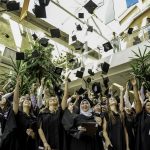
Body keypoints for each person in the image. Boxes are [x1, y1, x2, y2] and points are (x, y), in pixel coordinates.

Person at [0, 77, 38, 150]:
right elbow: (15, 101)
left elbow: (36, 135)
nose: (27, 100)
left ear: (31, 105)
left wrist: (32, 134)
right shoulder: (18, 113)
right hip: (15, 144)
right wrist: (17, 84)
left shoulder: (34, 118)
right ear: (21, 104)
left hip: (27, 145)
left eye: (29, 100)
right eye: (25, 100)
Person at [38, 72, 70, 150]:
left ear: (57, 102)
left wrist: (66, 81)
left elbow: (65, 96)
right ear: (47, 102)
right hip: (46, 142)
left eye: (54, 99)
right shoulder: (42, 113)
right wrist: (45, 142)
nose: (52, 99)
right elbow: (39, 128)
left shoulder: (60, 111)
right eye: (51, 99)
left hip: (59, 142)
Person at [103, 85, 130, 150]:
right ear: (108, 103)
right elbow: (104, 131)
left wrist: (127, 147)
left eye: (113, 98)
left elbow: (125, 132)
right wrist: (107, 140)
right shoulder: (106, 114)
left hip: (122, 142)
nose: (112, 99)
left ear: (116, 101)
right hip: (112, 143)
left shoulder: (121, 114)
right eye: (110, 99)